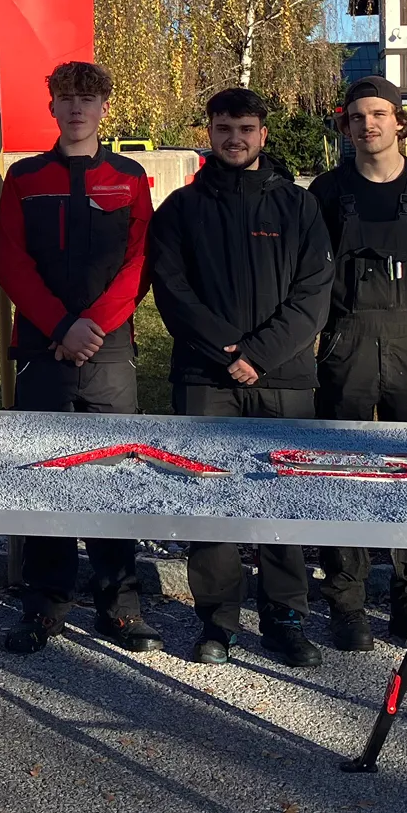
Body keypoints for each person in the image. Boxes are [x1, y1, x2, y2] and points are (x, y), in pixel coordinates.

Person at [150, 87, 333, 668]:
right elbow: (171, 292)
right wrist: (227, 351)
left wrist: (258, 354)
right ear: (209, 131)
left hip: (284, 379)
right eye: (224, 128)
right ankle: (217, 620)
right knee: (210, 498)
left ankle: (285, 617)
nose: (235, 138)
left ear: (263, 134)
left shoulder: (299, 207)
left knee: (283, 500)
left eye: (246, 128)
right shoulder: (181, 208)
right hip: (206, 378)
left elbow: (314, 297)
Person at [0, 60, 160, 656]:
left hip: (109, 348)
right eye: (65, 98)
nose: (75, 109)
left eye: (86, 99)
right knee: (46, 478)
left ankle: (120, 604)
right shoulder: (25, 177)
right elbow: (11, 262)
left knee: (113, 477)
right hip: (45, 345)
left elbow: (139, 261)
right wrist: (62, 325)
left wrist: (92, 326)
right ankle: (45, 605)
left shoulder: (128, 176)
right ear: (52, 107)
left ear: (104, 108)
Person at [310, 76, 407, 652]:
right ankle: (346, 601)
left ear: (400, 121)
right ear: (345, 126)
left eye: (379, 113)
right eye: (357, 116)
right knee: (342, 471)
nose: (368, 124)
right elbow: (313, 271)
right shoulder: (326, 191)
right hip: (345, 339)